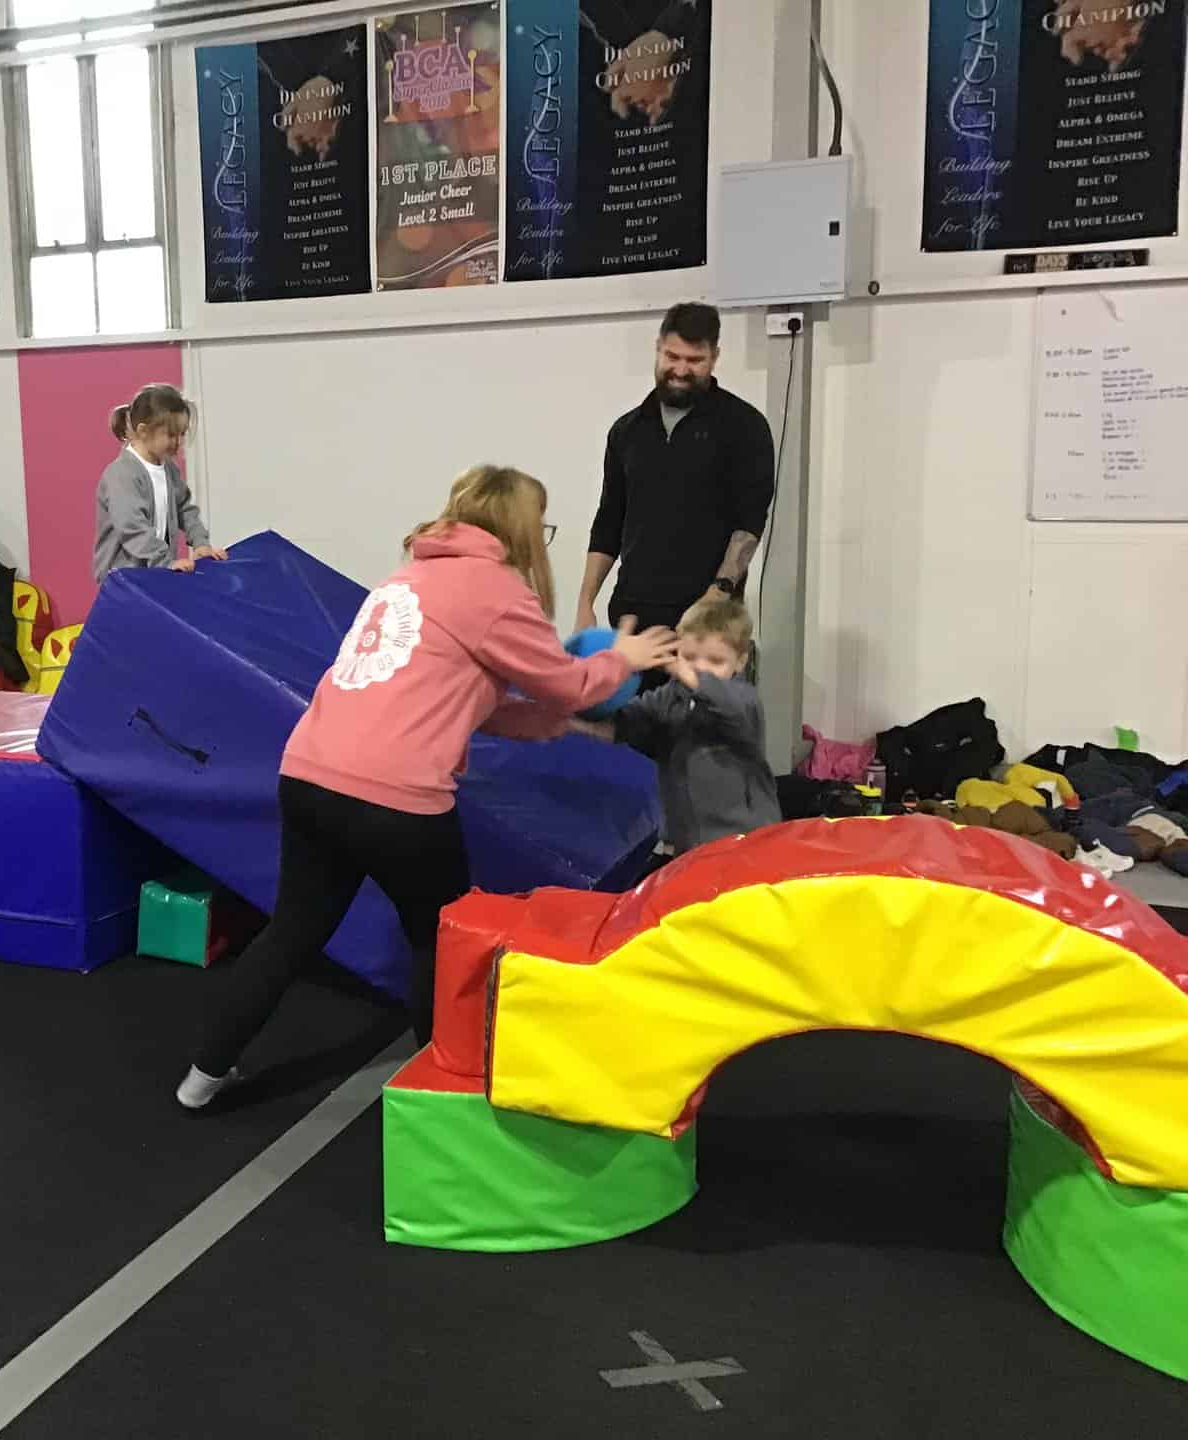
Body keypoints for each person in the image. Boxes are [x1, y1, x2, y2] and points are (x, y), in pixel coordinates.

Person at [177, 465, 679, 1110]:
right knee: (441, 940)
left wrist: (553, 724)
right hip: (394, 796)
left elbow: (463, 700)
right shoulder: (495, 590)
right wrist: (621, 660)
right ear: (523, 528)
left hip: (308, 775)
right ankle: (444, 1099)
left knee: (292, 933)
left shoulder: (406, 580)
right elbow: (572, 684)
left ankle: (202, 1077)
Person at [573, 303, 775, 672]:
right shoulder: (627, 430)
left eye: (695, 360)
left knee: (700, 710)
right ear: (658, 349)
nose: (681, 370)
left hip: (705, 625)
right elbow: (609, 522)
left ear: (715, 357)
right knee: (632, 710)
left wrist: (718, 593)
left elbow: (749, 522)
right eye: (672, 356)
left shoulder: (744, 427)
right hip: (633, 616)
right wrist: (585, 603)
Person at [581, 596, 780, 854]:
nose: (700, 668)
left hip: (744, 840)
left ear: (740, 662)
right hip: (686, 843)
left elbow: (725, 702)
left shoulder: (744, 699)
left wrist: (678, 667)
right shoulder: (671, 696)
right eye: (689, 657)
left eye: (715, 661)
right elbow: (629, 722)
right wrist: (587, 719)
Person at [93, 384, 229, 584]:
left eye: (182, 434)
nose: (178, 442)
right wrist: (165, 561)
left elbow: (185, 509)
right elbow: (132, 528)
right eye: (171, 435)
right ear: (143, 431)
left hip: (154, 572)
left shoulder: (168, 469)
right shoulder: (121, 475)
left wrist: (200, 543)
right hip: (124, 580)